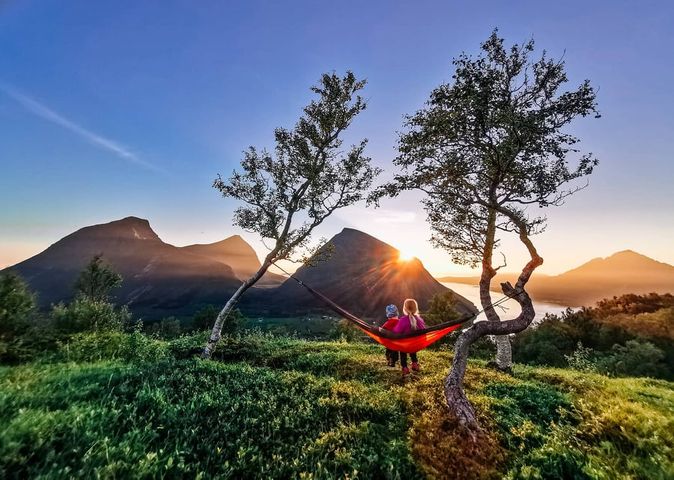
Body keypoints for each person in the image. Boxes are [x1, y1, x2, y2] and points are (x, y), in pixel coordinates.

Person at [392, 298, 426, 376]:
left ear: (405, 309)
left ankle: (405, 367)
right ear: (416, 308)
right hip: (416, 345)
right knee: (412, 348)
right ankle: (415, 364)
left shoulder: (403, 320)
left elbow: (396, 332)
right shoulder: (420, 320)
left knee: (402, 350)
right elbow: (423, 331)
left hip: (405, 346)